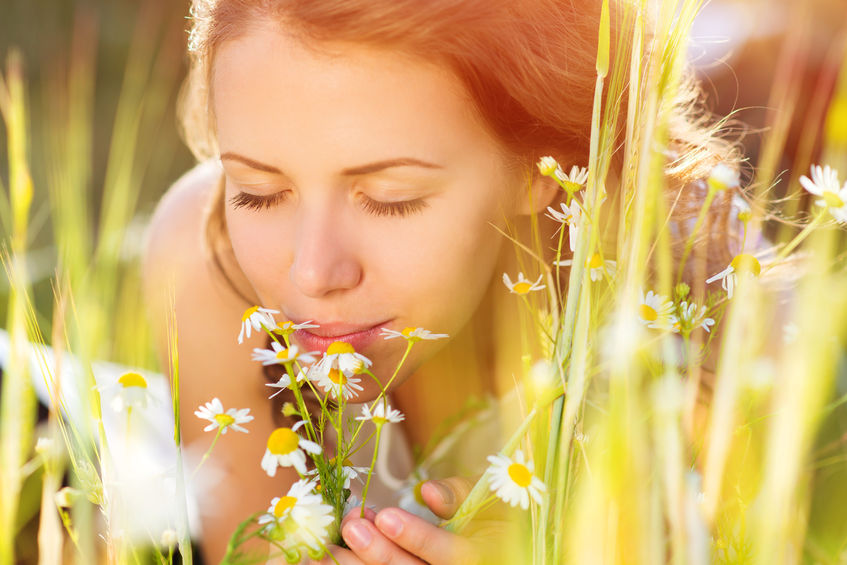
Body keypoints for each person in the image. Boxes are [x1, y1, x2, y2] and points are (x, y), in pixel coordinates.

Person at [142, 1, 739, 562]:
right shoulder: (202, 254)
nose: (313, 272)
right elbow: (249, 546)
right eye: (259, 192)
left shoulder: (696, 275)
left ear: (544, 168)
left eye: (389, 199)